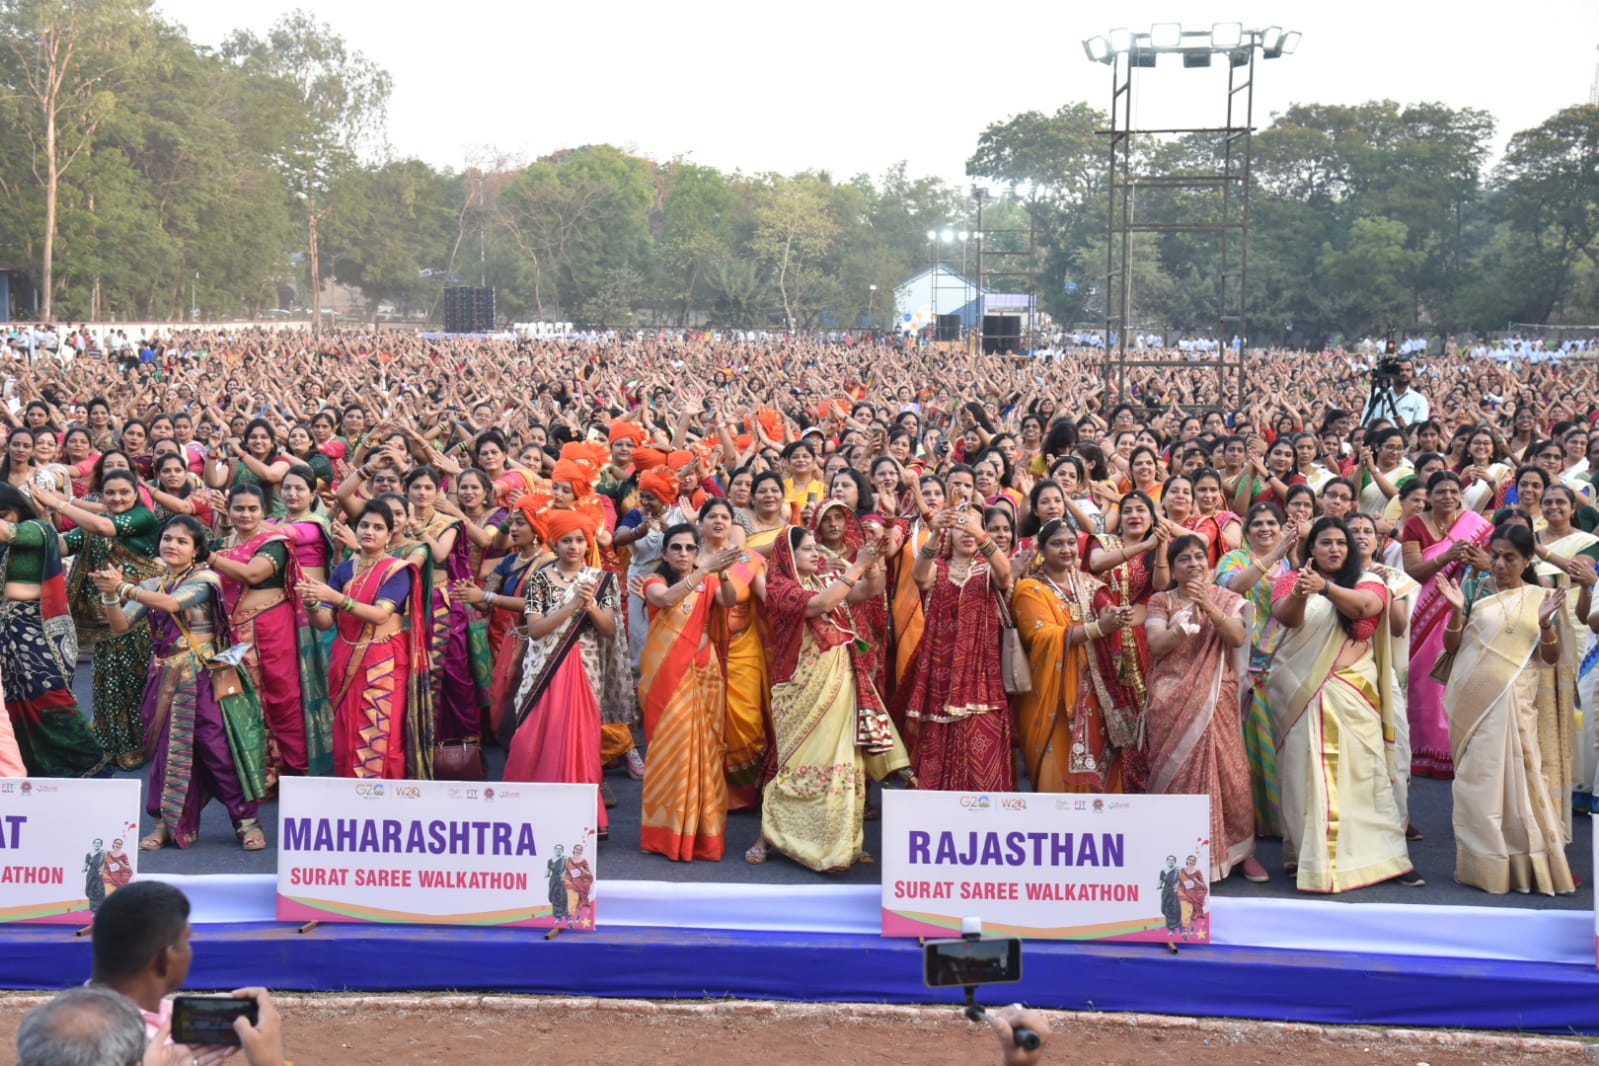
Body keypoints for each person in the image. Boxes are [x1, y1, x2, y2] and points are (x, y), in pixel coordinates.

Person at [93, 515, 266, 851]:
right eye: (168, 538)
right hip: (164, 678)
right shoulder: (153, 584)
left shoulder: (205, 579)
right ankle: (166, 825)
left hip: (200, 677)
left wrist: (123, 587)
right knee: (165, 754)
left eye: (182, 541)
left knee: (218, 750)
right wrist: (110, 596)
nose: (172, 545)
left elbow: (173, 604)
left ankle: (247, 823)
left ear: (196, 549)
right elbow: (120, 624)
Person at [1268, 516, 1418, 892]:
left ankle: (1381, 857)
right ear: (1311, 549)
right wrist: (1304, 592)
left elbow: (1366, 608)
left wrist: (1326, 589)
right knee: (1303, 774)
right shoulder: (1289, 580)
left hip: (1354, 691)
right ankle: (1306, 855)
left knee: (1364, 773)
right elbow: (1285, 618)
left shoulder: (1370, 581)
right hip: (1300, 691)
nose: (1334, 549)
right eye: (1325, 543)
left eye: (1340, 542)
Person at [749, 525, 907, 871]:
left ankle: (842, 843)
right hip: (801, 691)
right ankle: (772, 833)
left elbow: (869, 590)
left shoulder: (824, 581)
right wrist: (857, 565)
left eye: (815, 547)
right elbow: (823, 604)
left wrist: (874, 562)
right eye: (807, 549)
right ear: (789, 555)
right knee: (796, 766)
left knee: (844, 764)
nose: (816, 553)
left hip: (840, 683)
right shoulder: (781, 590)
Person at [1438, 524, 1576, 895]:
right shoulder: (1473, 589)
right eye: (1495, 555)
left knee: (1520, 780)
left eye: (1509, 557)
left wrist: (1546, 623)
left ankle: (1520, 863)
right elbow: (1451, 648)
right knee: (1476, 781)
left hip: (1516, 699)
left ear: (1527, 560)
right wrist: (1454, 614)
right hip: (1472, 698)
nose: (1499, 564)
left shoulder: (1540, 597)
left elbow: (1550, 657)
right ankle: (1483, 865)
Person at [1144, 534, 1265, 882]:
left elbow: (1238, 638)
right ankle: (1176, 853)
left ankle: (1241, 852)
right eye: (1184, 559)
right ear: (1174, 568)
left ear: (1209, 563)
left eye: (1199, 556)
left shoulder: (1227, 600)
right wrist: (1188, 620)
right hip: (1172, 699)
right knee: (1177, 776)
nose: (1193, 563)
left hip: (1217, 699)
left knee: (1232, 774)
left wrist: (1209, 608)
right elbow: (1156, 644)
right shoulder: (1161, 601)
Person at [505, 509, 632, 837]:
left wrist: (590, 606)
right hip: (544, 670)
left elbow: (608, 631)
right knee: (535, 736)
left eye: (580, 540)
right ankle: (531, 813)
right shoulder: (540, 579)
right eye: (566, 541)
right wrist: (573, 605)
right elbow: (535, 630)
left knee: (581, 740)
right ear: (554, 543)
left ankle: (584, 820)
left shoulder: (600, 580)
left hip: (584, 669)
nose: (574, 546)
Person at [300, 501, 430, 780]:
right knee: (347, 735)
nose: (369, 531)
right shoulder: (344, 570)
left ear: (389, 533)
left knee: (383, 736)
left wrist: (337, 598)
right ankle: (353, 807)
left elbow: (380, 615)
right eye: (364, 525)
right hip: (345, 658)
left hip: (384, 661)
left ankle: (385, 806)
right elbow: (324, 623)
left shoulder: (397, 570)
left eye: (378, 527)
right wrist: (311, 603)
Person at [39, 472, 161, 769]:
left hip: (138, 610)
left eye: (123, 492)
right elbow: (64, 545)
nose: (117, 498)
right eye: (110, 493)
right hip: (105, 613)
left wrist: (58, 500)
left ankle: (140, 744)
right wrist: (43, 513)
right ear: (102, 496)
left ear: (135, 495)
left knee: (135, 677)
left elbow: (104, 527)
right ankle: (112, 743)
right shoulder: (94, 525)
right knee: (107, 679)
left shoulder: (143, 517)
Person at [1011, 519, 1139, 792]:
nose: (1066, 549)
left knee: (1100, 762)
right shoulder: (1030, 589)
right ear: (1041, 550)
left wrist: (1114, 615)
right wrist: (1097, 628)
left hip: (1094, 689)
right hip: (1052, 694)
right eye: (1057, 544)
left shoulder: (1087, 583)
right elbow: (1042, 636)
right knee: (1055, 768)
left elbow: (1104, 606)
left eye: (1070, 543)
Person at [636, 524, 739, 861]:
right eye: (676, 548)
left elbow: (730, 600)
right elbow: (665, 600)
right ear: (664, 553)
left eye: (689, 548)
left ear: (697, 552)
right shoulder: (656, 581)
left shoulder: (708, 578)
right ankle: (666, 834)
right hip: (666, 677)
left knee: (704, 750)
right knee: (673, 749)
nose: (683, 554)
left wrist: (721, 575)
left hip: (704, 672)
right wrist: (705, 570)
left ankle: (701, 832)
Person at [897, 500, 1013, 791]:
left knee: (981, 751)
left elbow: (1005, 574)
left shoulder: (986, 569)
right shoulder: (938, 568)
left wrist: (978, 532)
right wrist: (934, 533)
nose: (965, 531)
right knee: (936, 746)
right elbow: (919, 576)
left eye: (971, 524)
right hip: (940, 674)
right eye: (958, 524)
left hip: (980, 675)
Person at [0, 483, 106, 776]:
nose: (4, 519)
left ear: (18, 509)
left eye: (4, 513)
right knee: (14, 700)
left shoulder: (36, 529)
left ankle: (87, 763)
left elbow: (7, 531)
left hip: (35, 628)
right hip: (6, 633)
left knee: (48, 694)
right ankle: (34, 767)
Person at [209, 483, 306, 784]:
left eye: (253, 509)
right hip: (234, 632)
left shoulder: (274, 543)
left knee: (281, 696)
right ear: (228, 509)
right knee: (243, 700)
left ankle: (293, 771)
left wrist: (207, 557)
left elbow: (253, 574)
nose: (245, 514)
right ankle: (257, 774)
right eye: (239, 508)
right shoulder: (222, 544)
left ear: (264, 511)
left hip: (271, 628)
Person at [1401, 470, 1495, 778]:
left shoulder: (1474, 525)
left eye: (1454, 491)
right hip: (1425, 613)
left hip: (1461, 610)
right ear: (1429, 495)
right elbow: (1414, 570)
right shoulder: (1415, 525)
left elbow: (1491, 565)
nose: (1448, 497)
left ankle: (1454, 751)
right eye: (1441, 491)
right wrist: (1448, 557)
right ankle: (1423, 749)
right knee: (1423, 681)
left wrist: (1471, 561)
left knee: (1457, 679)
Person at [1215, 503, 1298, 837]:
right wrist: (1273, 554)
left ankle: (1275, 821)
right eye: (1258, 524)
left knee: (1277, 746)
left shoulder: (1288, 564)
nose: (1265, 529)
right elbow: (1232, 587)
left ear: (1281, 527)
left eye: (1272, 523)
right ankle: (1245, 823)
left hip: (1280, 663)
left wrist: (1281, 556)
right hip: (1243, 664)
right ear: (1247, 532)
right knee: (1245, 750)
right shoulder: (1234, 559)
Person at [697, 497, 768, 809]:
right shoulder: (690, 560)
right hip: (702, 649)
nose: (719, 521)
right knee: (708, 719)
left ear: (733, 524)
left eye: (725, 516)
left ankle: (746, 793)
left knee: (747, 718)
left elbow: (769, 600)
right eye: (712, 516)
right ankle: (712, 790)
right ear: (700, 523)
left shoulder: (749, 560)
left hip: (744, 647)